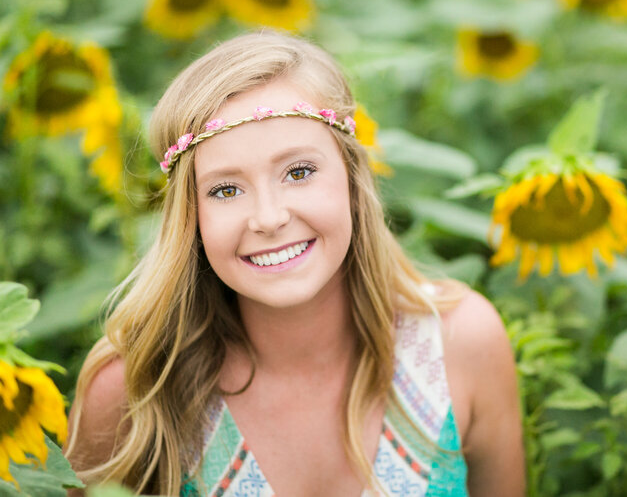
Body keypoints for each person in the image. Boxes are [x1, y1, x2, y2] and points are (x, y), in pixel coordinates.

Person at [65, 30, 524, 497]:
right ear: (190, 216)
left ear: (351, 175)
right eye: (225, 189)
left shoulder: (459, 343)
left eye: (299, 172)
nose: (269, 218)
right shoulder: (135, 392)